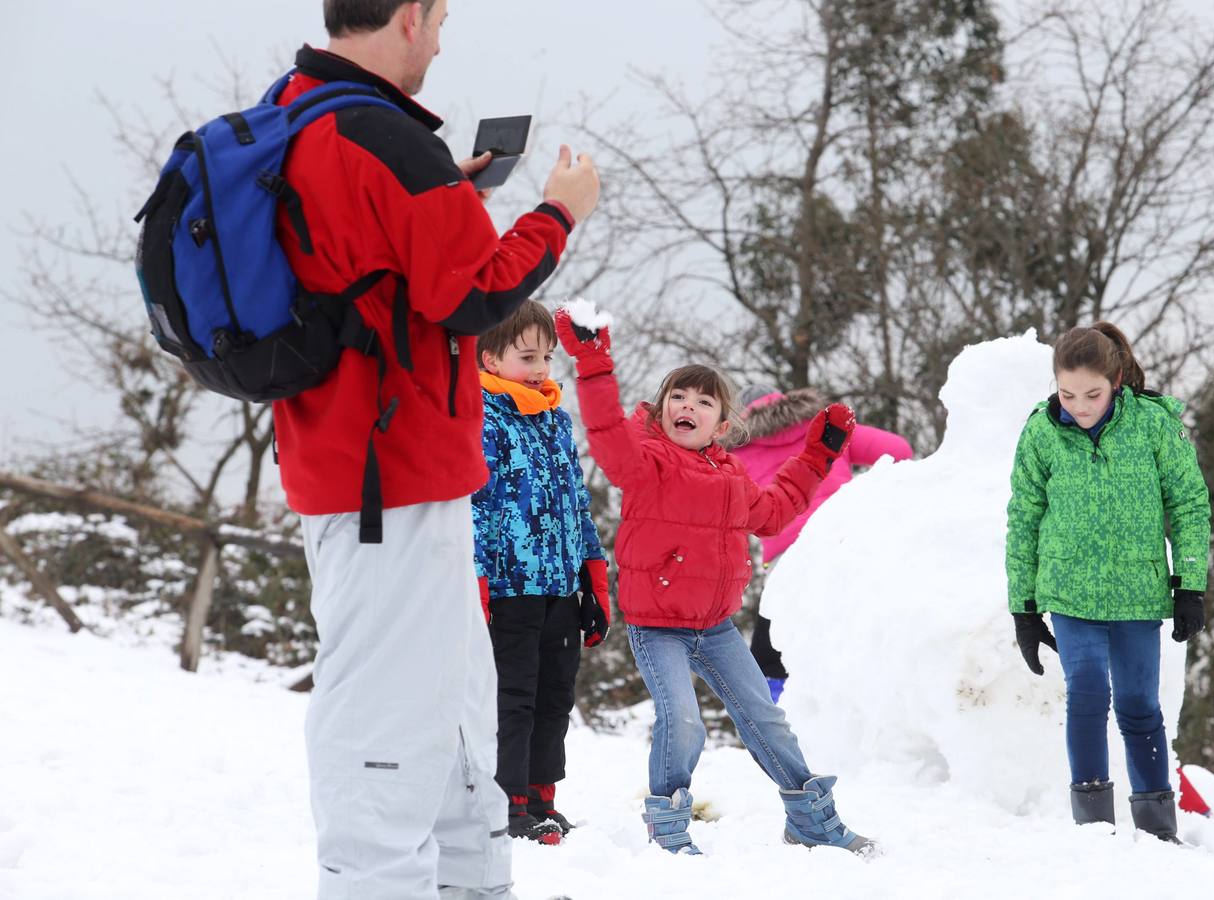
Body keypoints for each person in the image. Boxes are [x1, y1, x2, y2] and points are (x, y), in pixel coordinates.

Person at [272, 2, 600, 897]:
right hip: (389, 475)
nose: (444, 40)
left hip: (370, 464)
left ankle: (467, 880)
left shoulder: (298, 109)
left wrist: (453, 200)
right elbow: (477, 295)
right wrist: (557, 217)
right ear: (409, 15)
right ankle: (372, 882)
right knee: (383, 716)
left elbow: (373, 264)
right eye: (442, 18)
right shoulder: (380, 134)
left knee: (456, 708)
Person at [554, 307, 876, 857]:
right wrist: (593, 362)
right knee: (681, 719)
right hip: (659, 626)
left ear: (721, 426)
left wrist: (820, 453)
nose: (690, 406)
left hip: (716, 626)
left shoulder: (730, 477)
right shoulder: (645, 462)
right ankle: (670, 828)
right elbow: (606, 431)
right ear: (661, 411)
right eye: (679, 396)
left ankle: (811, 821)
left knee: (768, 722)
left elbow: (775, 512)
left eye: (705, 402)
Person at [1004, 322, 1210, 843]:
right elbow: (1023, 519)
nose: (1080, 405)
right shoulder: (1041, 433)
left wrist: (1190, 584)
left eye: (1093, 393)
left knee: (1140, 705)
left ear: (1116, 380)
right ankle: (1094, 834)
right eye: (1067, 393)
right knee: (1088, 696)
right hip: (1070, 593)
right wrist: (1024, 609)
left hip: (1137, 594)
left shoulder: (1153, 426)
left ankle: (1159, 830)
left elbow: (1189, 503)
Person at [471, 301, 609, 846]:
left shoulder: (553, 418)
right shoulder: (481, 414)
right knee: (514, 696)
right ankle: (508, 802)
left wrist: (593, 580)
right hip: (510, 588)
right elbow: (476, 504)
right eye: (527, 356)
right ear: (488, 357)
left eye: (546, 357)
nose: (541, 368)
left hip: (559, 587)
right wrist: (477, 580)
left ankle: (542, 795)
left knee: (556, 694)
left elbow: (577, 502)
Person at [734, 386, 913, 701]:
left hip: (789, 558)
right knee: (851, 633)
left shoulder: (737, 453)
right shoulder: (827, 431)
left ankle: (784, 724)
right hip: (844, 540)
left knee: (770, 655)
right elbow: (898, 449)